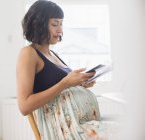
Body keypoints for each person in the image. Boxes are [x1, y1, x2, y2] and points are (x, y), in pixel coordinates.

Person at [16, 0, 112, 139]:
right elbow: (24, 107)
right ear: (39, 23)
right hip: (63, 130)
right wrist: (66, 83)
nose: (60, 30)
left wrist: (80, 84)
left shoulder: (54, 54)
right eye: (55, 24)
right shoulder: (28, 53)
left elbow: (62, 86)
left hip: (81, 123)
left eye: (61, 24)